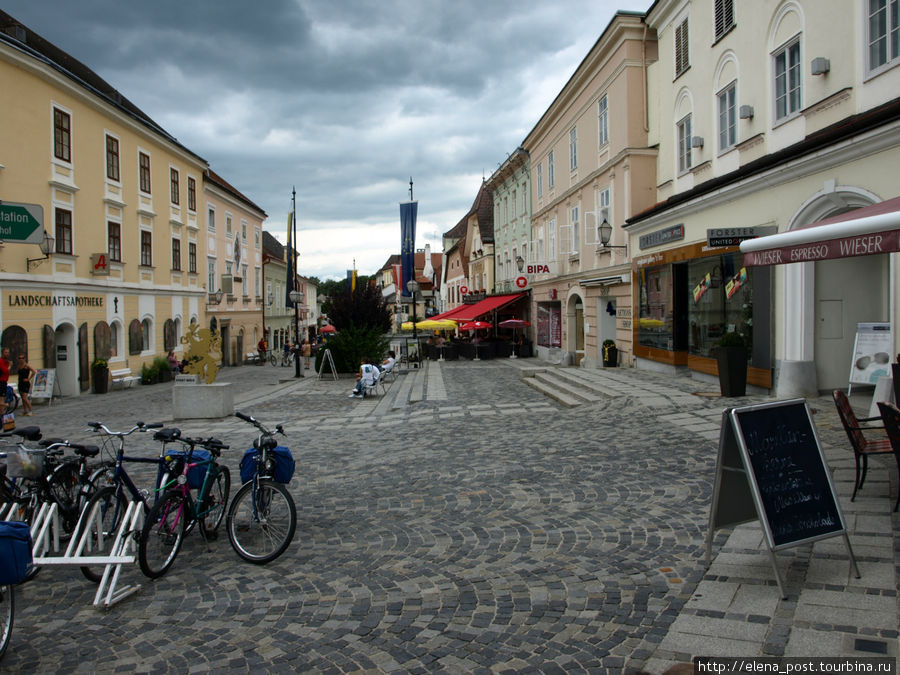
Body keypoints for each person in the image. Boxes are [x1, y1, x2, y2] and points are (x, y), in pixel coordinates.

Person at [0, 347, 10, 414]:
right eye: (5, 352)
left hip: (4, 381)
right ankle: (3, 412)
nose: (7, 354)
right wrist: (9, 366)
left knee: (2, 398)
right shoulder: (1, 361)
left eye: (8, 352)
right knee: (1, 399)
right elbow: (5, 371)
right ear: (2, 353)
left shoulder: (6, 361)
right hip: (1, 381)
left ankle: (2, 414)